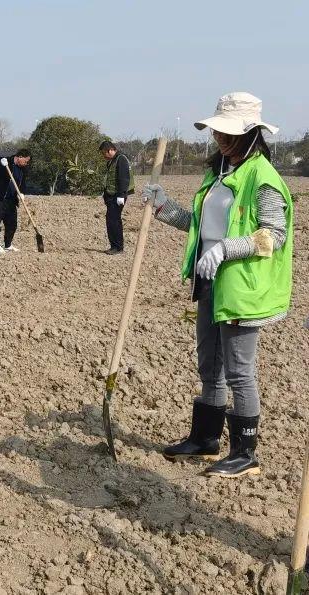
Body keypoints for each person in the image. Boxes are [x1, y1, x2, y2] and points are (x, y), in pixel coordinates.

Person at [142, 92, 293, 478]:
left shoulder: (264, 178)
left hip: (243, 287)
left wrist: (227, 248)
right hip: (209, 282)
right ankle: (205, 440)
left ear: (252, 134)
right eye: (218, 132)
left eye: (229, 133)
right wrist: (163, 207)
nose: (221, 139)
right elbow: (199, 226)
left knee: (240, 371)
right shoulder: (218, 174)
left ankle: (245, 453)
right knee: (210, 367)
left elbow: (272, 235)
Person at [0, 149, 31, 253]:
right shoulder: (4, 161)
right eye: (25, 161)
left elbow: (23, 183)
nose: (26, 163)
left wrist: (22, 193)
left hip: (11, 200)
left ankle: (8, 244)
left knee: (12, 223)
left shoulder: (23, 169)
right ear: (20, 156)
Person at [99, 140, 134, 255]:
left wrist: (121, 195)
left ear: (110, 150)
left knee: (115, 221)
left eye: (104, 153)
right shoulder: (111, 161)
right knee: (110, 220)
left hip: (118, 196)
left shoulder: (121, 159)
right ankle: (114, 245)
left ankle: (118, 247)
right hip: (111, 196)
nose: (104, 156)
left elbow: (124, 179)